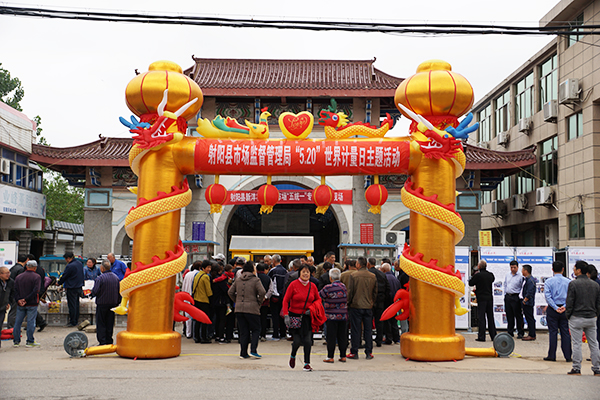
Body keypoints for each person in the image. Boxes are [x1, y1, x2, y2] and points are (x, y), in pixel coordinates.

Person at [283, 263, 320, 371]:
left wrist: (312, 308)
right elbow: (285, 300)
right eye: (303, 272)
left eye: (307, 272)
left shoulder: (312, 286)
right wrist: (286, 314)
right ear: (299, 273)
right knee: (297, 341)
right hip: (294, 316)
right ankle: (293, 355)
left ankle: (307, 363)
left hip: (307, 317)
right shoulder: (293, 284)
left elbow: (318, 299)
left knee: (308, 341)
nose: (305, 274)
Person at [565, 260, 600, 376]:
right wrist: (595, 314)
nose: (574, 270)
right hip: (591, 317)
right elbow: (598, 303)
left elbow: (570, 302)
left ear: (579, 270)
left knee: (577, 343)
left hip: (576, 317)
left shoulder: (573, 284)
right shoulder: (595, 285)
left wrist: (568, 315)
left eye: (575, 268)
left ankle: (576, 368)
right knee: (594, 343)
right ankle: (597, 368)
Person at [228, 261, 266, 359]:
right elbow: (262, 292)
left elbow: (230, 292)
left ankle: (243, 353)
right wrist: (258, 302)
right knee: (256, 329)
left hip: (239, 308)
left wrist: (237, 301)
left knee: (243, 331)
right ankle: (253, 350)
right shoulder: (255, 280)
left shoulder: (238, 279)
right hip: (252, 308)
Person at [346, 256, 377, 360]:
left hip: (356, 305)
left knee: (356, 330)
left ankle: (354, 352)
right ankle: (369, 352)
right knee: (368, 330)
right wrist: (372, 302)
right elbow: (375, 292)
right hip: (368, 306)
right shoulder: (372, 276)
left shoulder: (353, 275)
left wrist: (348, 302)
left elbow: (350, 291)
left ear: (358, 265)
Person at [543, 260, 572, 362]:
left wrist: (555, 307)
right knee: (565, 332)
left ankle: (552, 355)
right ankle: (568, 356)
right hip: (564, 309)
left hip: (552, 309)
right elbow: (570, 296)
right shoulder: (568, 281)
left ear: (552, 269)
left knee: (553, 332)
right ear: (563, 269)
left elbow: (548, 296)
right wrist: (564, 306)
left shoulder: (548, 281)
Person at [319, 267, 348, 363]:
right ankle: (343, 356)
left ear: (330, 278)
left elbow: (319, 296)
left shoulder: (328, 288)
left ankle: (330, 356)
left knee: (331, 337)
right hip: (343, 315)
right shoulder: (344, 286)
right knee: (342, 336)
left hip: (331, 316)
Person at [13, 260, 41, 347]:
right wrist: (26, 299)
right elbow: (36, 290)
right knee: (31, 322)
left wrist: (19, 300)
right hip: (32, 303)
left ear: (26, 266)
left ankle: (16, 341)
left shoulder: (18, 277)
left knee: (18, 322)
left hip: (20, 303)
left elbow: (15, 290)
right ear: (35, 268)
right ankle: (30, 340)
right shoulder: (37, 277)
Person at [90, 260, 120, 345]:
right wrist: (118, 302)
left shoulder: (100, 278)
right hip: (113, 304)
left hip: (102, 304)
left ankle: (102, 341)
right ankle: (109, 340)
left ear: (102, 268)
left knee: (101, 323)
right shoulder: (116, 278)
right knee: (110, 323)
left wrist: (91, 294)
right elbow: (119, 291)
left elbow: (95, 291)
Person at [468, 260, 496, 342]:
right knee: (490, 317)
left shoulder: (478, 275)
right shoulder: (490, 275)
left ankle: (482, 336)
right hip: (489, 298)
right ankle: (493, 336)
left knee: (481, 318)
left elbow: (470, 283)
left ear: (479, 266)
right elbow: (492, 280)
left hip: (481, 298)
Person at [57, 252, 84, 327]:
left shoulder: (70, 266)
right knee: (76, 304)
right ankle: (76, 320)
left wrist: (59, 283)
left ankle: (72, 322)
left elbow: (65, 276)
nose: (66, 261)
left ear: (68, 258)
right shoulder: (79, 263)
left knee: (72, 305)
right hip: (79, 286)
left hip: (71, 287)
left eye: (66, 259)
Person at [368, 257, 389, 347]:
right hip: (380, 300)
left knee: (368, 321)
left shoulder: (368, 274)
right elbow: (387, 288)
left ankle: (368, 339)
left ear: (368, 264)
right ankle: (379, 339)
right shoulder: (382, 274)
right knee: (379, 321)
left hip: (370, 300)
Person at [192, 260, 213, 343]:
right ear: (203, 268)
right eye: (208, 267)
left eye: (210, 267)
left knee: (197, 320)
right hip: (204, 300)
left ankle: (196, 337)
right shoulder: (205, 277)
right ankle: (204, 337)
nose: (209, 269)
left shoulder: (197, 275)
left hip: (196, 299)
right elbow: (208, 291)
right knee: (204, 320)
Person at [268, 254, 287, 340]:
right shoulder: (285, 271)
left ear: (273, 261)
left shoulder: (273, 271)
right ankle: (283, 333)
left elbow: (269, 282)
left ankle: (275, 334)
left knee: (275, 316)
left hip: (274, 296)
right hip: (283, 296)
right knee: (282, 315)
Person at [381, 263, 401, 344]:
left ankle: (388, 338)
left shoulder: (384, 278)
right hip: (395, 302)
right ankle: (396, 338)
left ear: (384, 270)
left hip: (386, 302)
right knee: (394, 320)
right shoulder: (395, 279)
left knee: (387, 321)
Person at [504, 260, 524, 338]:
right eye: (511, 267)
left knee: (518, 315)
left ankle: (520, 332)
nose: (513, 269)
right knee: (509, 315)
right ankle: (510, 331)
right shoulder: (507, 275)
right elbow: (505, 284)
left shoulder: (520, 276)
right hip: (508, 296)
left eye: (514, 267)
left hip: (516, 297)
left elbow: (522, 287)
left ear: (517, 267)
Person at [7, 254, 28, 328]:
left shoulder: (13, 268)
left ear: (17, 260)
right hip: (17, 292)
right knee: (14, 310)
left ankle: (12, 326)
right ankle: (11, 327)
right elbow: (21, 282)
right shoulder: (21, 269)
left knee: (13, 309)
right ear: (26, 261)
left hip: (11, 291)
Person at [182, 261, 201, 338]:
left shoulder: (187, 274)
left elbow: (183, 285)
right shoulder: (199, 274)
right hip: (195, 296)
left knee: (188, 316)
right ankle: (195, 333)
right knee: (196, 315)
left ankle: (188, 333)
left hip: (186, 295)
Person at [256, 263, 272, 341]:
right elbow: (271, 290)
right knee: (264, 318)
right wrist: (266, 297)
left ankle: (256, 334)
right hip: (265, 302)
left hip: (255, 301)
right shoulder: (268, 278)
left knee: (256, 318)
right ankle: (263, 335)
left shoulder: (255, 278)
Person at [521, 264, 536, 341]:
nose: (522, 271)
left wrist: (525, 300)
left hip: (528, 303)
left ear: (526, 271)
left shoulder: (530, 280)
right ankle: (531, 333)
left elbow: (530, 292)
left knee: (530, 318)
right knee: (528, 317)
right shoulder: (527, 279)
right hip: (527, 302)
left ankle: (532, 334)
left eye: (522, 270)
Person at [0, 266, 14, 345]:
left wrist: (9, 302)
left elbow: (12, 293)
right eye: (6, 273)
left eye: (9, 273)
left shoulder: (10, 282)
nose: (8, 275)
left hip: (3, 308)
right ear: (0, 274)